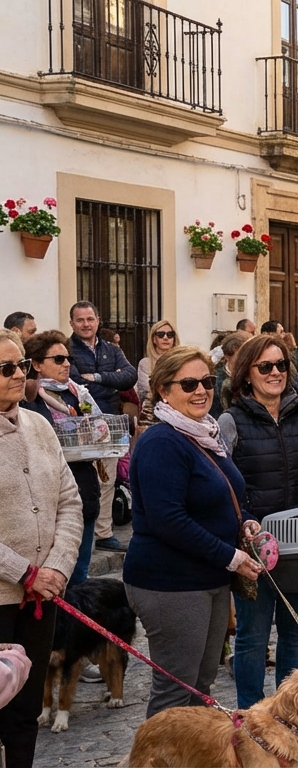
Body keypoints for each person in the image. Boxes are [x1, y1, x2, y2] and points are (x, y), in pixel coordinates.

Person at [124, 345, 264, 718]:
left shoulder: (206, 434)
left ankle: (192, 748)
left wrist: (245, 521)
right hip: (170, 582)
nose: (201, 390)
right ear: (163, 390)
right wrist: (231, 557)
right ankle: (157, 751)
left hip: (210, 577)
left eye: (207, 381)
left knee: (201, 686)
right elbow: (167, 519)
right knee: (176, 690)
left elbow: (226, 495)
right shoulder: (161, 441)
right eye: (188, 384)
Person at [217, 335, 298, 708]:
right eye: (265, 366)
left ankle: (290, 713)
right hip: (254, 546)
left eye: (281, 365)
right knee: (252, 636)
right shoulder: (230, 421)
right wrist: (244, 521)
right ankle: (251, 715)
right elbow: (222, 483)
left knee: (296, 634)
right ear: (247, 373)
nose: (275, 372)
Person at [0, 330, 82, 768]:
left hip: (42, 596)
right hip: (4, 596)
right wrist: (24, 572)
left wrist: (56, 567)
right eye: (6, 369)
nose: (19, 375)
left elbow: (69, 501)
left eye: (20, 366)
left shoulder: (40, 425)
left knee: (26, 709)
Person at [26, 331, 103, 586]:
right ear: (37, 364)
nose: (67, 364)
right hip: (47, 497)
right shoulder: (29, 400)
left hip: (83, 488)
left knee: (80, 575)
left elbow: (98, 428)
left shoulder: (77, 393)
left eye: (68, 358)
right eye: (58, 359)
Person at [68, 302, 136, 554]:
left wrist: (97, 378)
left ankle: (104, 533)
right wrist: (111, 383)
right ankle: (79, 534)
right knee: (82, 482)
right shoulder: (67, 349)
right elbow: (74, 382)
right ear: (71, 323)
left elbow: (129, 377)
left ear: (98, 320)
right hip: (80, 424)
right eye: (80, 320)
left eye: (90, 319)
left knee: (108, 479)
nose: (86, 324)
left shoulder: (112, 349)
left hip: (109, 420)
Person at [136, 320, 180, 404]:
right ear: (154, 339)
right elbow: (148, 390)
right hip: (153, 406)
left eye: (170, 334)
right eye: (160, 334)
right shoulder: (145, 363)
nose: (165, 337)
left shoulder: (182, 362)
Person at [212, 331, 251, 420]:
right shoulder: (215, 381)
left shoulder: (254, 376)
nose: (245, 360)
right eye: (240, 355)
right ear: (227, 356)